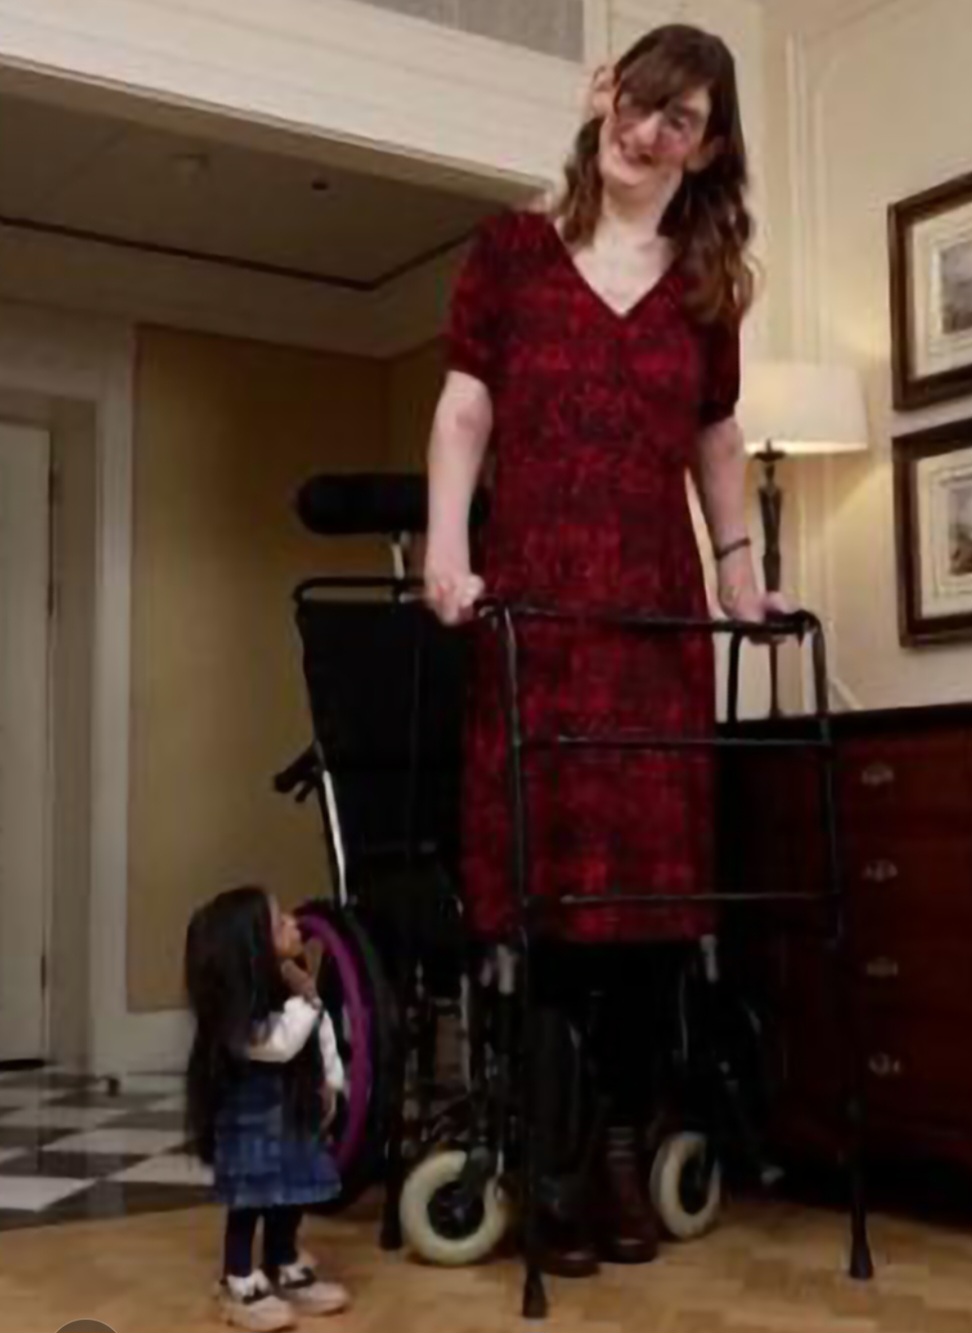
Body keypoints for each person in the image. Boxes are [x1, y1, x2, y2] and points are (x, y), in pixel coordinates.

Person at [424, 24, 785, 1275]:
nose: (647, 132)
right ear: (603, 96)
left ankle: (623, 1148)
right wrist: (446, 546)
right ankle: (555, 1162)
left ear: (710, 147)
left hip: (651, 628)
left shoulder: (708, 285)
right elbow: (465, 406)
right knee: (552, 906)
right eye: (639, 101)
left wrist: (738, 567)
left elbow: (717, 435)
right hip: (538, 619)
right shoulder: (510, 253)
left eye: (680, 119)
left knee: (646, 910)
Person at [185, 885, 349, 1331]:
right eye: (280, 923)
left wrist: (332, 1085)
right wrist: (307, 997)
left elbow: (322, 1039)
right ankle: (237, 1277)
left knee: (291, 1197)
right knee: (249, 1203)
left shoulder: (290, 988)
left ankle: (283, 1259)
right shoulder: (238, 1017)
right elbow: (282, 1044)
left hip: (294, 1119)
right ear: (252, 946)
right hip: (252, 1130)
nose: (295, 924)